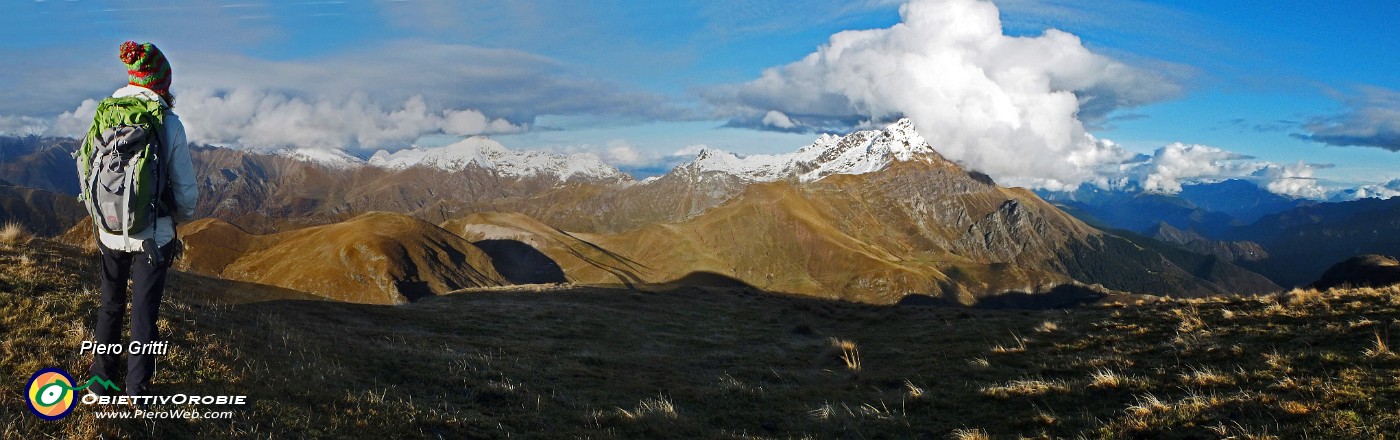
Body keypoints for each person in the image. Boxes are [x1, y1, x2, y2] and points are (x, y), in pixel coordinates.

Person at [87, 41, 198, 399]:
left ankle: (101, 380)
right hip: (153, 234)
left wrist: (103, 217)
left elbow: (89, 167)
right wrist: (178, 218)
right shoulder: (169, 123)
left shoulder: (105, 114)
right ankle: (137, 390)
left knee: (111, 303)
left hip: (109, 227)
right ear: (162, 84)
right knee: (144, 313)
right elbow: (185, 190)